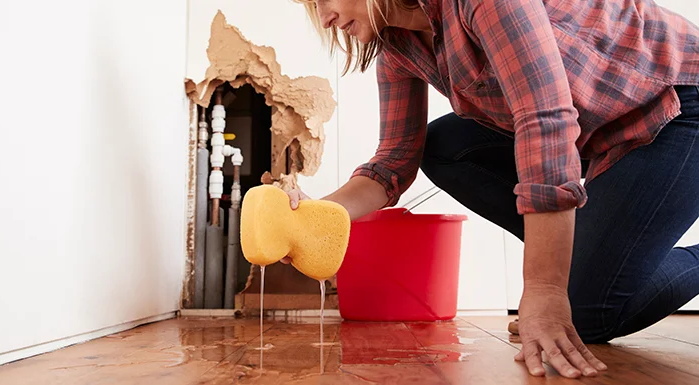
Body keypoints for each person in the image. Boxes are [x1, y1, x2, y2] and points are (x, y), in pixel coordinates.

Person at [282, 0, 699, 379]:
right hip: (598, 129)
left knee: (588, 315)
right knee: (443, 147)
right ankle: (575, 262)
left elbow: (545, 121)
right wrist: (313, 213)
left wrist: (545, 290)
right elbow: (393, 162)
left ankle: (570, 276)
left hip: (674, 107)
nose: (325, 18)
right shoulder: (398, 47)